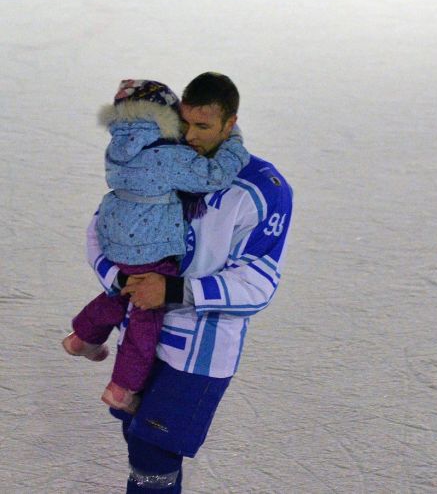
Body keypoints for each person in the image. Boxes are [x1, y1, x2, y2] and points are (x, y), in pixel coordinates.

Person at [86, 72, 293, 493]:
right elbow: (102, 230)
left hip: (200, 351)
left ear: (229, 124)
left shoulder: (264, 190)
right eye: (186, 125)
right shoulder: (165, 159)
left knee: (153, 452)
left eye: (204, 127)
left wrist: (173, 290)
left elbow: (258, 283)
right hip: (143, 332)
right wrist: (124, 278)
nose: (191, 137)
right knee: (135, 438)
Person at [62, 78, 250, 413]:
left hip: (115, 235)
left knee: (120, 293)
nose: (188, 133)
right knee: (145, 318)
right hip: (151, 244)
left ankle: (83, 337)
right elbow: (213, 176)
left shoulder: (119, 147)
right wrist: (234, 144)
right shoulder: (169, 156)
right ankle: (122, 388)